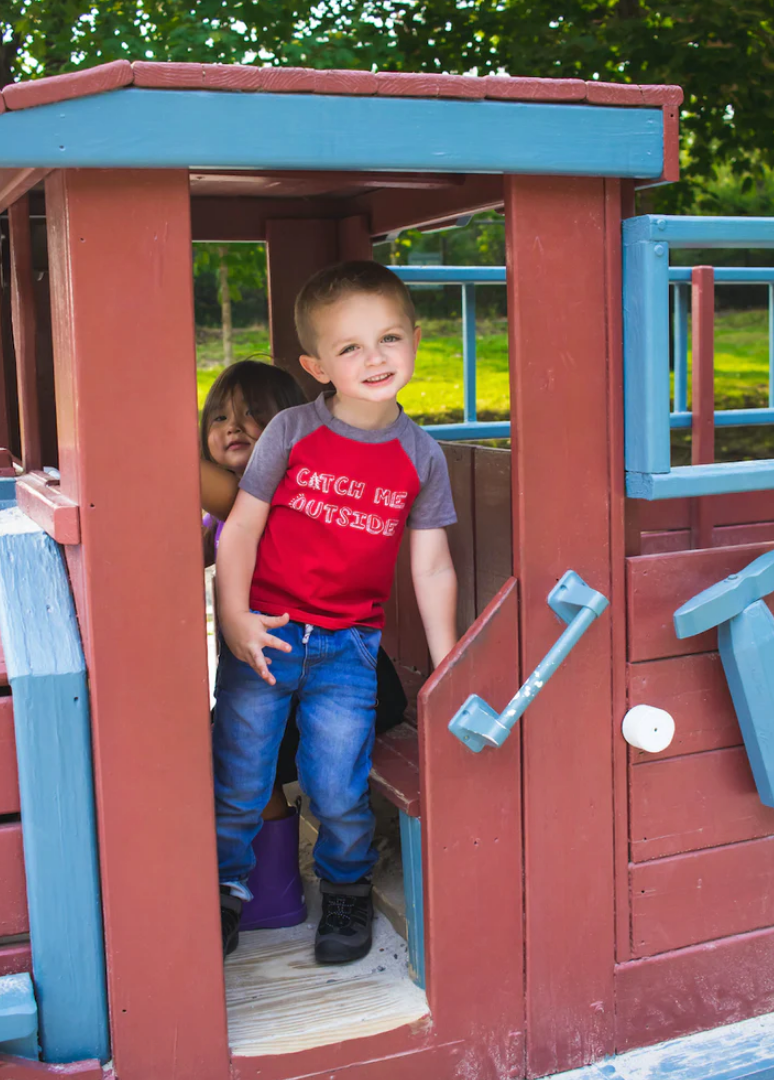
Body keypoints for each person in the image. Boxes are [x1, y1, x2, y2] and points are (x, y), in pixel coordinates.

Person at [214, 261, 458, 964]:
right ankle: (224, 892)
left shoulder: (422, 456)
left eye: (388, 338)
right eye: (350, 347)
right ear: (315, 364)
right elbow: (241, 532)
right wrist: (233, 618)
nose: (374, 358)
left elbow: (432, 563)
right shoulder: (291, 432)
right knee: (241, 777)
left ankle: (345, 891)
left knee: (336, 782)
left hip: (349, 645)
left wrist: (447, 662)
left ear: (415, 339)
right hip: (266, 634)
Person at [200, 358, 411, 933]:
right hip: (272, 678)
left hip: (342, 674)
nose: (234, 426)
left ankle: (300, 892)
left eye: (254, 415)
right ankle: (252, 892)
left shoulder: (281, 492)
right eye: (219, 417)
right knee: (233, 762)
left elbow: (205, 482)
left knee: (308, 778)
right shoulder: (218, 517)